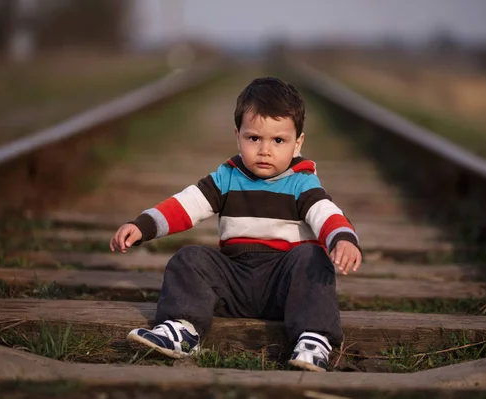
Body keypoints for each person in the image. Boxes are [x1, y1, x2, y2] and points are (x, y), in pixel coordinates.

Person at [110, 76, 362, 372]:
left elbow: (325, 214)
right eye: (254, 138)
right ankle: (182, 329)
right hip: (234, 281)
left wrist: (342, 238)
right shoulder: (226, 179)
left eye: (278, 140)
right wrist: (143, 225)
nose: (265, 150)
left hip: (285, 287)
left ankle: (314, 338)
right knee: (189, 258)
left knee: (312, 258)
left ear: (298, 143)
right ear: (238, 136)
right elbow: (186, 204)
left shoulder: (302, 183)